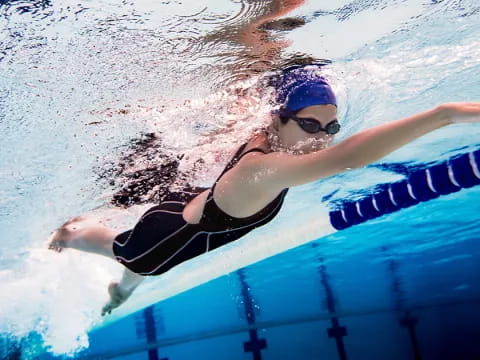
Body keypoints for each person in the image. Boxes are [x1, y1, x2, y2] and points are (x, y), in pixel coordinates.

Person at [47, 65, 480, 315]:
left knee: (129, 280)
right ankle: (63, 238)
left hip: (190, 206)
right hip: (157, 244)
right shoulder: (266, 170)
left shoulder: (268, 135)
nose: (321, 138)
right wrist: (443, 115)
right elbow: (346, 157)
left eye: (331, 127)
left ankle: (115, 285)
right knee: (126, 260)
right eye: (311, 125)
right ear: (280, 120)